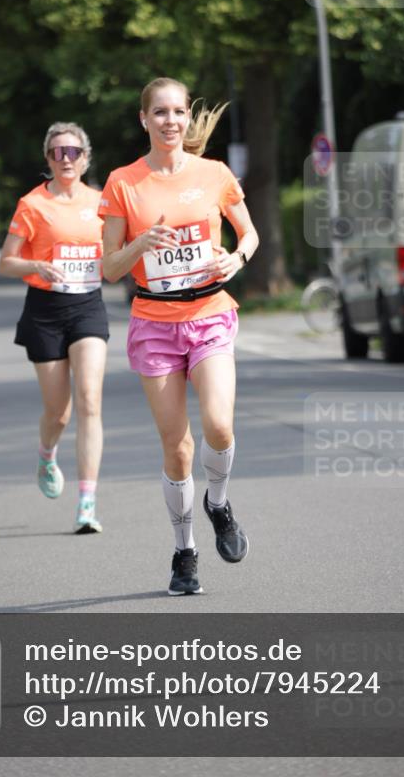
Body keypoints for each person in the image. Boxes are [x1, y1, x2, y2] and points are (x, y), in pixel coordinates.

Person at [101, 77, 259, 595]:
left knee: (219, 425)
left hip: (210, 312)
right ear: (143, 119)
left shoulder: (214, 174)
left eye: (178, 111)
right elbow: (108, 267)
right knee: (178, 448)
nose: (171, 120)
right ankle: (184, 552)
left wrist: (235, 258)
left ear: (187, 117)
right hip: (154, 323)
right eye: (160, 112)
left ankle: (219, 502)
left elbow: (249, 232)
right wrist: (142, 242)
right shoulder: (123, 182)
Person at [0, 123, 109, 534]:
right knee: (58, 412)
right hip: (45, 309)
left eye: (74, 152)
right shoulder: (32, 204)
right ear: (48, 159)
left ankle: (87, 502)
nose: (66, 159)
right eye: (58, 152)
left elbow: (116, 254)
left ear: (86, 157)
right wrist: (35, 265)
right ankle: (47, 454)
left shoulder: (101, 203)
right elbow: (5, 262)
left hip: (87, 307)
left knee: (90, 400)